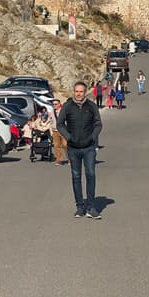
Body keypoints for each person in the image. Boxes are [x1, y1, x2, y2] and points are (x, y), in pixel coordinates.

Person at [57, 81, 103, 219]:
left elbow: (98, 124)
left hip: (88, 147)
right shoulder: (67, 106)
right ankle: (80, 207)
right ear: (73, 92)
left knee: (90, 175)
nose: (78, 94)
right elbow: (60, 124)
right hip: (73, 148)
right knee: (76, 177)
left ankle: (91, 207)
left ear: (85, 92)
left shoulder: (91, 106)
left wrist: (92, 137)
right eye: (76, 91)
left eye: (81, 91)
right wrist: (69, 137)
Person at [51, 98, 68, 166]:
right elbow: (50, 121)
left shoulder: (63, 111)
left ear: (59, 104)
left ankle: (70, 159)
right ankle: (59, 160)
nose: (54, 105)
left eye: (56, 104)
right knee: (56, 146)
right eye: (53, 104)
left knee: (65, 145)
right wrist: (51, 130)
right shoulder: (51, 112)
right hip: (55, 130)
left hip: (63, 130)